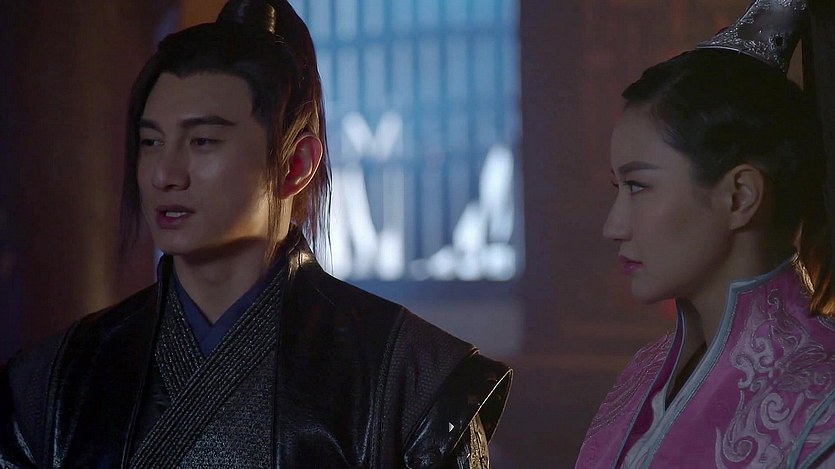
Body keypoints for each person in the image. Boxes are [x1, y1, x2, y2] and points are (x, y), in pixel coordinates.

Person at [0, 1, 512, 467]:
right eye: (151, 142)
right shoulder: (50, 383)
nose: (164, 174)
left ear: (296, 164)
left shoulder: (412, 381)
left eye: (202, 141)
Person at [576, 1, 835, 467]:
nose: (613, 227)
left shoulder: (821, 403)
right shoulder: (643, 374)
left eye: (638, 186)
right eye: (619, 188)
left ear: (740, 196)